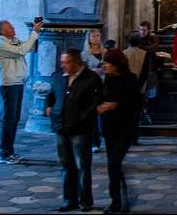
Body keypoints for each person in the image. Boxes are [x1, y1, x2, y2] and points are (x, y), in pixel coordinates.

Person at [45, 48, 103, 212]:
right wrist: (49, 106)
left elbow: (96, 101)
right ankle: (69, 200)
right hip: (61, 128)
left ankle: (85, 201)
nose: (63, 65)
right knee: (66, 165)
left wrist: (83, 117)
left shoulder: (91, 79)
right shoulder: (59, 77)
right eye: (62, 62)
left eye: (67, 62)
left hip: (80, 129)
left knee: (82, 166)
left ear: (77, 62)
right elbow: (51, 94)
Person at [97, 49, 142, 214]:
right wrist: (100, 105)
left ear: (116, 65)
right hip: (109, 129)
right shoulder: (107, 79)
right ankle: (119, 200)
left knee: (114, 164)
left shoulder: (130, 80)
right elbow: (101, 97)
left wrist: (116, 105)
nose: (105, 66)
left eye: (107, 63)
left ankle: (118, 202)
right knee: (113, 167)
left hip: (125, 129)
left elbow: (137, 103)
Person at [0, 18, 42, 164]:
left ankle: (10, 151)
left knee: (14, 119)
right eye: (10, 27)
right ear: (3, 31)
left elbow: (30, 48)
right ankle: (5, 153)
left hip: (18, 83)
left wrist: (36, 33)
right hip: (9, 84)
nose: (13, 29)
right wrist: (34, 32)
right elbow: (22, 51)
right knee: (9, 120)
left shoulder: (13, 41)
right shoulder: (2, 45)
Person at [82, 29, 107, 152]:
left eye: (98, 36)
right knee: (93, 115)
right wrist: (94, 71)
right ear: (89, 38)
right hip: (91, 87)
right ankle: (94, 141)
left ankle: (105, 139)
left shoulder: (105, 52)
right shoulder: (85, 54)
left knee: (104, 114)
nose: (96, 38)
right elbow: (82, 71)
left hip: (104, 85)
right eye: (94, 36)